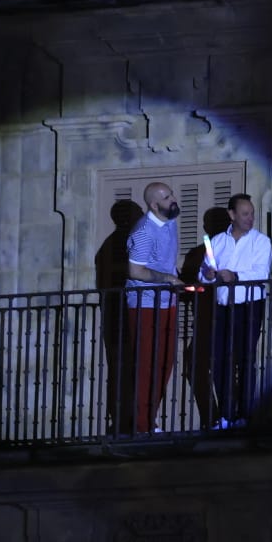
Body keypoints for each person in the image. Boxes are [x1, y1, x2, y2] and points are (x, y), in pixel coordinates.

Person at [200, 193, 272, 429]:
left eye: (251, 214)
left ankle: (245, 416)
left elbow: (261, 273)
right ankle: (226, 415)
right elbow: (203, 274)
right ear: (231, 215)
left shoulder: (261, 241)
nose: (250, 218)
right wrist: (208, 274)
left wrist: (235, 276)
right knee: (220, 360)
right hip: (222, 307)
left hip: (249, 306)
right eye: (245, 214)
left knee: (245, 359)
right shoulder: (218, 241)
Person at [124, 181, 185, 434]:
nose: (173, 199)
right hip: (145, 304)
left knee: (164, 363)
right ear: (153, 205)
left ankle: (150, 420)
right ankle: (142, 426)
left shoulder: (170, 222)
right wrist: (167, 279)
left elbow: (165, 262)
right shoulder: (144, 232)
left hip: (167, 302)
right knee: (147, 364)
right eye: (167, 197)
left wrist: (175, 278)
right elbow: (135, 271)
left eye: (171, 194)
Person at [96, 199, 139, 434]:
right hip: (120, 315)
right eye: (137, 213)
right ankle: (126, 419)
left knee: (122, 369)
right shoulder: (120, 243)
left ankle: (127, 418)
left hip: (117, 315)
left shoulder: (112, 244)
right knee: (124, 369)